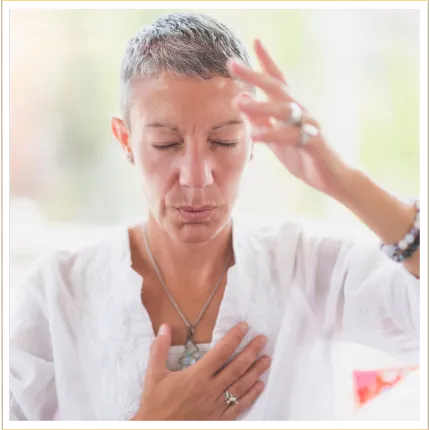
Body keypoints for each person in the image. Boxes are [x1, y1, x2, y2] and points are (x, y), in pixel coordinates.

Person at [10, 12, 423, 424]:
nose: (196, 176)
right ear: (126, 140)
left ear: (253, 139)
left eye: (224, 141)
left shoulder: (306, 268)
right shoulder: (56, 295)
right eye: (166, 143)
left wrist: (344, 181)